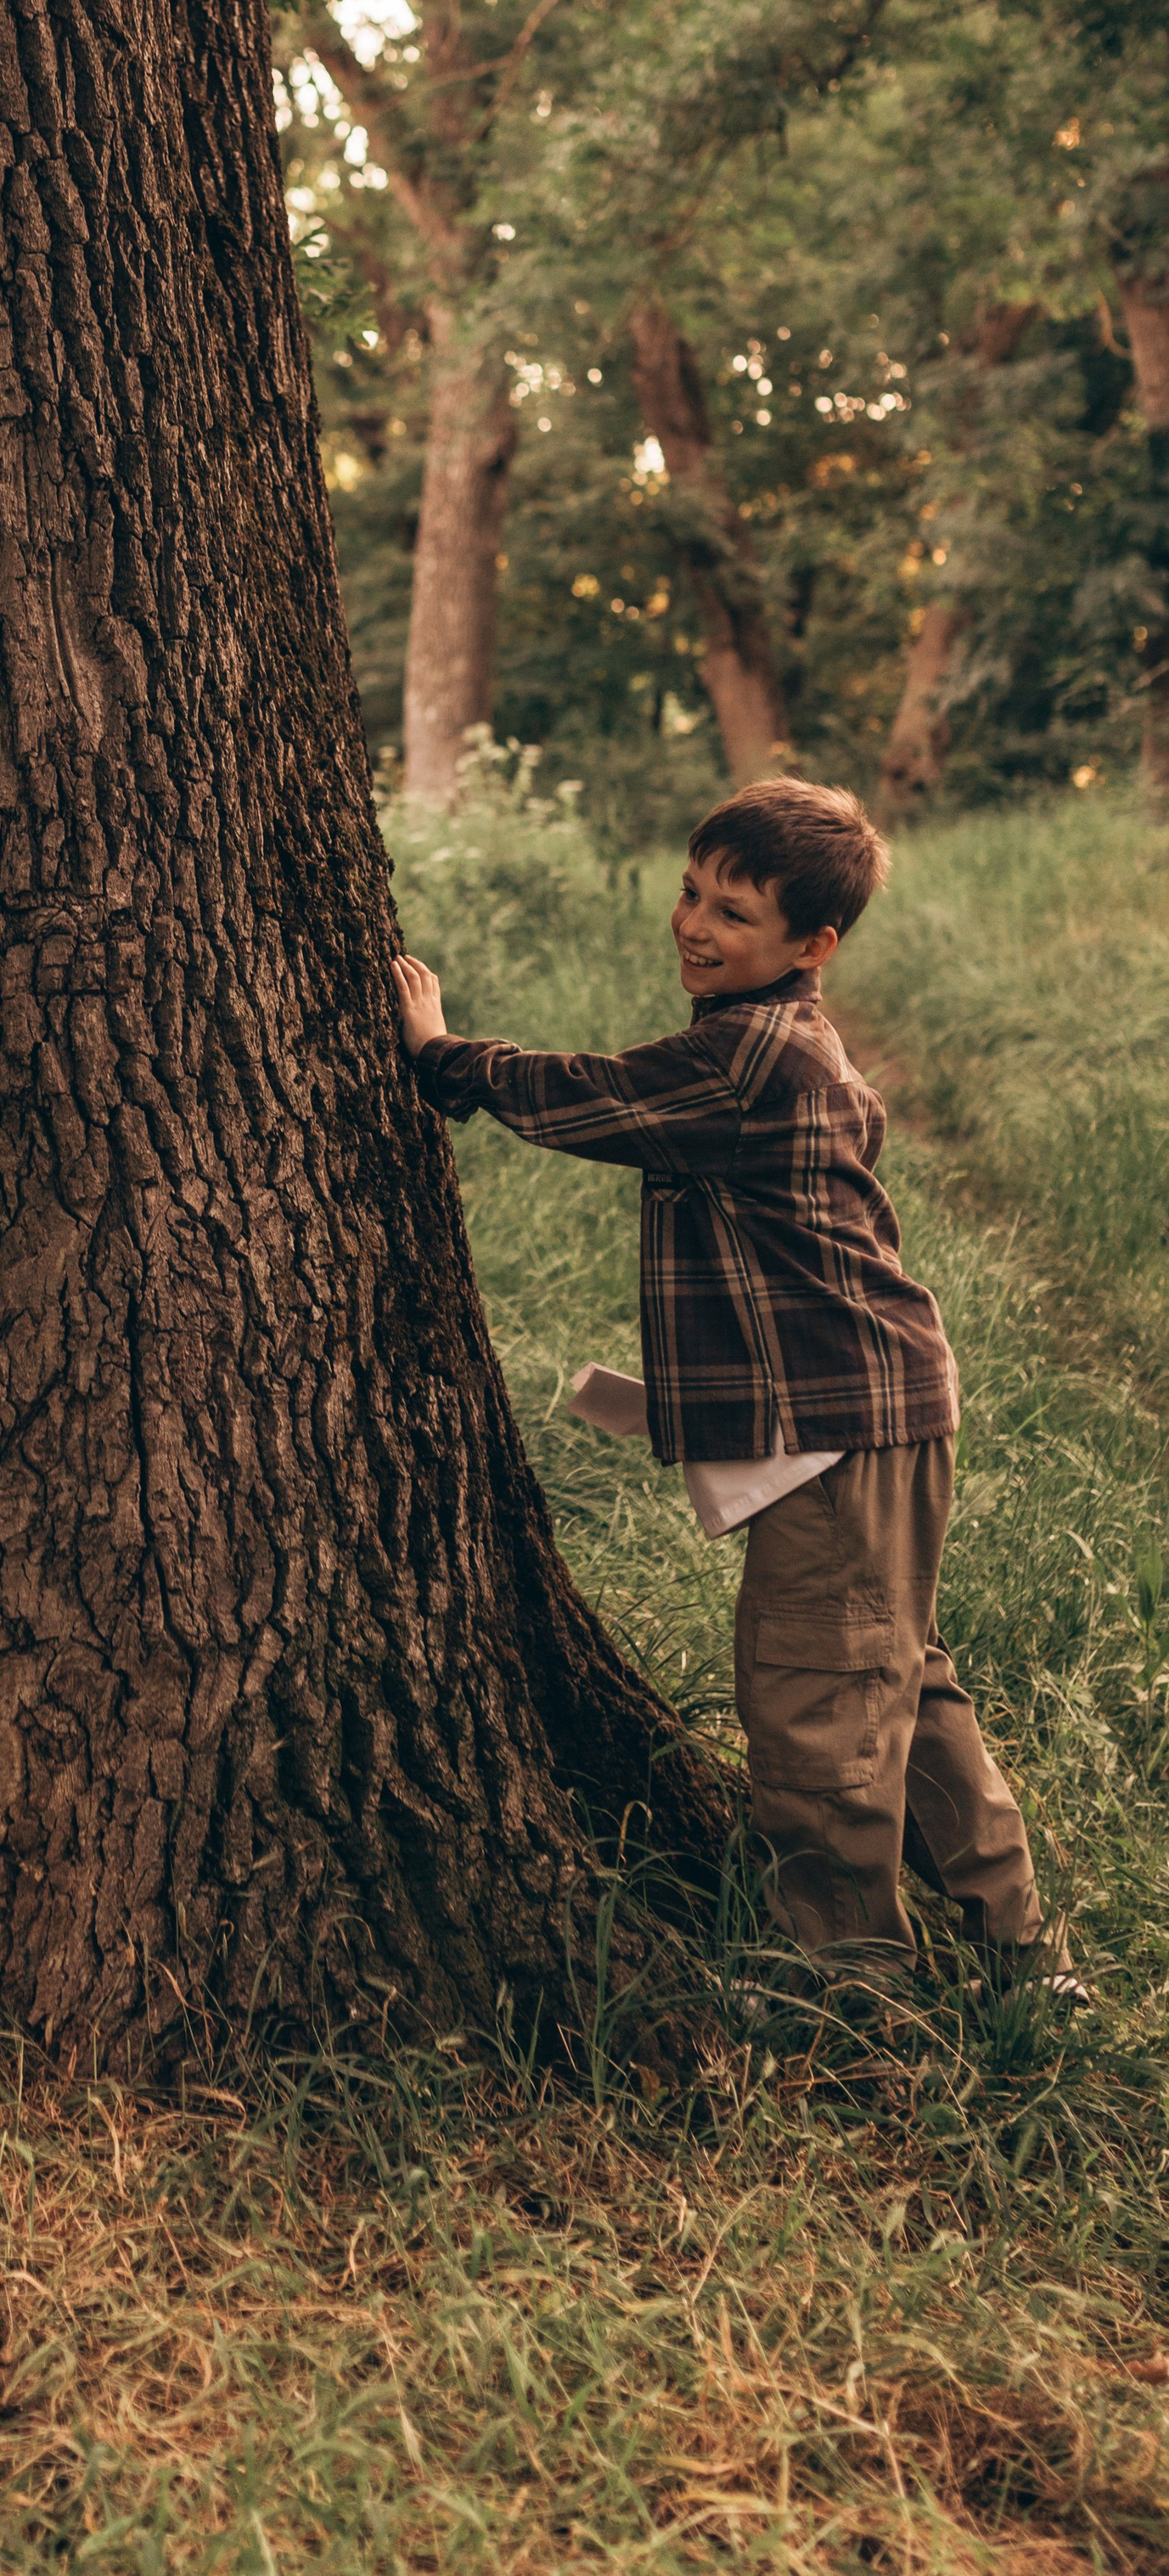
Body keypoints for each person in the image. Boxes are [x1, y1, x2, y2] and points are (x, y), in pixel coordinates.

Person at [391, 776, 1059, 1989]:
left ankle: (852, 1994)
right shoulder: (777, 1040)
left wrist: (445, 1058)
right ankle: (1015, 1944)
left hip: (843, 1424)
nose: (695, 924)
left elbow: (594, 1096)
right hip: (870, 1411)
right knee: (890, 1672)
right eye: (692, 892)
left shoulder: (750, 1057)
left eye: (734, 913)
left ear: (812, 946)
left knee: (819, 1702)